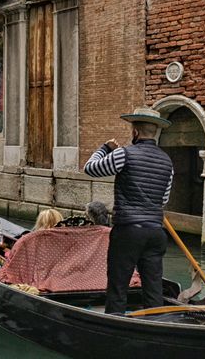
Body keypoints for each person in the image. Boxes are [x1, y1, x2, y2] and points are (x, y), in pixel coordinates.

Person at [83, 107, 174, 315]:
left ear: (135, 132)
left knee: (118, 285)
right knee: (153, 288)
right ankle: (156, 325)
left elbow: (90, 168)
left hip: (128, 231)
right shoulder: (167, 162)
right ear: (155, 132)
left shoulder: (123, 154)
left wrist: (105, 148)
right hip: (155, 232)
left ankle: (114, 325)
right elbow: (164, 199)